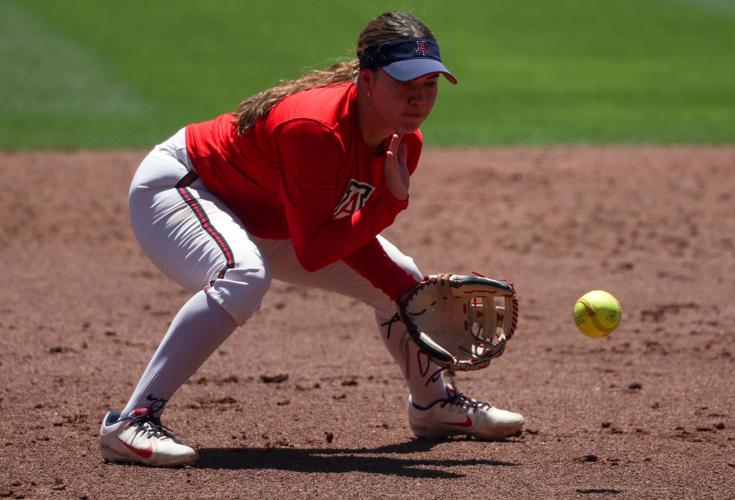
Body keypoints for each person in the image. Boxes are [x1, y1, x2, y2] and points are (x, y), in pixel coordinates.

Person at [99, 11, 524, 467]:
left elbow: (343, 237)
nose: (418, 98)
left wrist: (407, 293)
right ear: (366, 81)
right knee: (243, 276)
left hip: (270, 218)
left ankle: (435, 405)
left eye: (429, 86)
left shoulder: (404, 142)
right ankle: (131, 420)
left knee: (405, 278)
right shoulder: (315, 129)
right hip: (185, 189)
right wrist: (389, 207)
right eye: (405, 85)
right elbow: (316, 250)